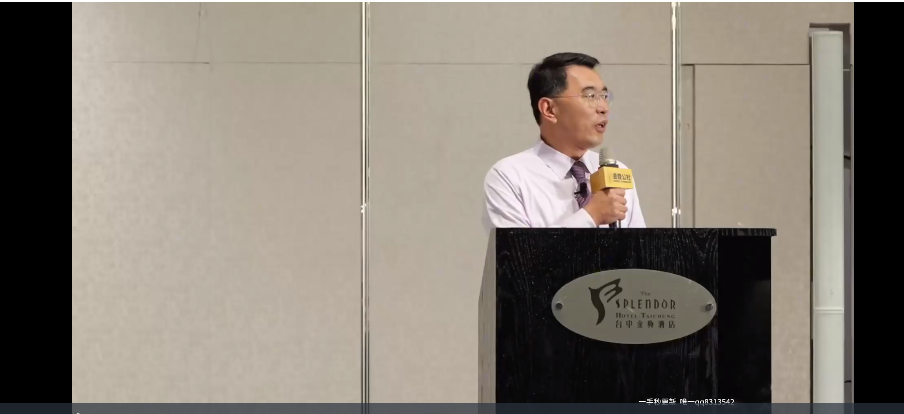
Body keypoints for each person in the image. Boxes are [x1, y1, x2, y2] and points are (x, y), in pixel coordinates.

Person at [482, 52, 646, 231]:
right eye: (590, 96)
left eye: (605, 96)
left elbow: (640, 247)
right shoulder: (510, 177)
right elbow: (517, 250)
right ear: (549, 109)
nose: (603, 108)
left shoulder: (617, 172)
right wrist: (591, 216)